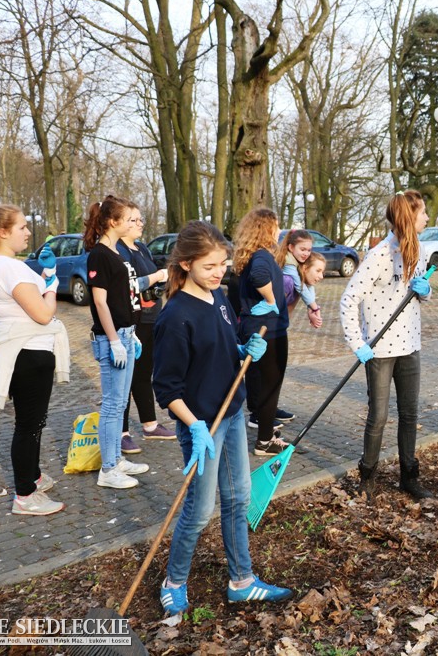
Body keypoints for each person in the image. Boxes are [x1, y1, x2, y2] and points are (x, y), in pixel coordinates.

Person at [152, 220, 291, 616]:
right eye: (210, 266)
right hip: (203, 426)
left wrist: (246, 348)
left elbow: (226, 349)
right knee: (199, 509)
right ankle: (174, 579)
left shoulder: (219, 300)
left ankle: (241, 580)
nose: (219, 273)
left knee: (238, 498)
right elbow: (166, 388)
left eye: (223, 265)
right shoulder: (176, 316)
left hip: (230, 415)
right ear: (185, 264)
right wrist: (193, 425)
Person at [0, 205, 69, 516]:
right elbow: (42, 313)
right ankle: (24, 495)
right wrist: (52, 286)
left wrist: (43, 277)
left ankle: (33, 476)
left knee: (33, 423)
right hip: (28, 353)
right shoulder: (9, 268)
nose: (29, 233)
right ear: (2, 232)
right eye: (22, 227)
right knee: (28, 425)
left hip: (26, 352)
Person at [340, 190, 434, 503]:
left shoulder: (418, 249)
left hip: (410, 346)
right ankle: (367, 478)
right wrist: (357, 343)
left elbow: (418, 291)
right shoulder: (379, 255)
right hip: (379, 352)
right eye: (422, 213)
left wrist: (425, 290)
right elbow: (348, 299)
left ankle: (410, 477)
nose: (427, 218)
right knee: (378, 417)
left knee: (409, 414)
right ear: (409, 216)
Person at [83, 195, 149, 489]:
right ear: (113, 222)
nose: (133, 222)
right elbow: (100, 301)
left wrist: (130, 332)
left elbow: (124, 295)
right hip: (113, 336)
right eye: (127, 219)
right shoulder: (99, 254)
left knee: (120, 403)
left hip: (125, 332)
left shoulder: (116, 251)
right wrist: (113, 340)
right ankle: (107, 469)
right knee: (112, 405)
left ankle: (116, 459)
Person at [232, 208, 294, 456]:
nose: (279, 231)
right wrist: (270, 300)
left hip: (259, 327)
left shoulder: (255, 254)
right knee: (271, 386)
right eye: (276, 226)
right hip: (268, 330)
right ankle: (264, 441)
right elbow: (259, 276)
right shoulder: (261, 257)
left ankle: (267, 432)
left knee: (264, 384)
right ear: (265, 228)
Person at [116, 202, 172, 454]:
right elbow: (127, 285)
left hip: (150, 317)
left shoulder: (141, 247)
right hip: (133, 320)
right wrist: (157, 277)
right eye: (134, 220)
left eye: (140, 219)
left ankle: (149, 424)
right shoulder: (118, 251)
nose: (140, 224)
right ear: (118, 223)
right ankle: (122, 431)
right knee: (125, 377)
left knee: (143, 373)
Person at [278, 229, 324, 330]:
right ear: (291, 247)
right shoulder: (288, 261)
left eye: (309, 250)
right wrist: (314, 307)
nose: (306, 253)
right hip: (271, 300)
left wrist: (311, 309)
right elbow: (300, 286)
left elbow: (309, 284)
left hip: (285, 308)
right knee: (289, 282)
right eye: (303, 249)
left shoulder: (300, 259)